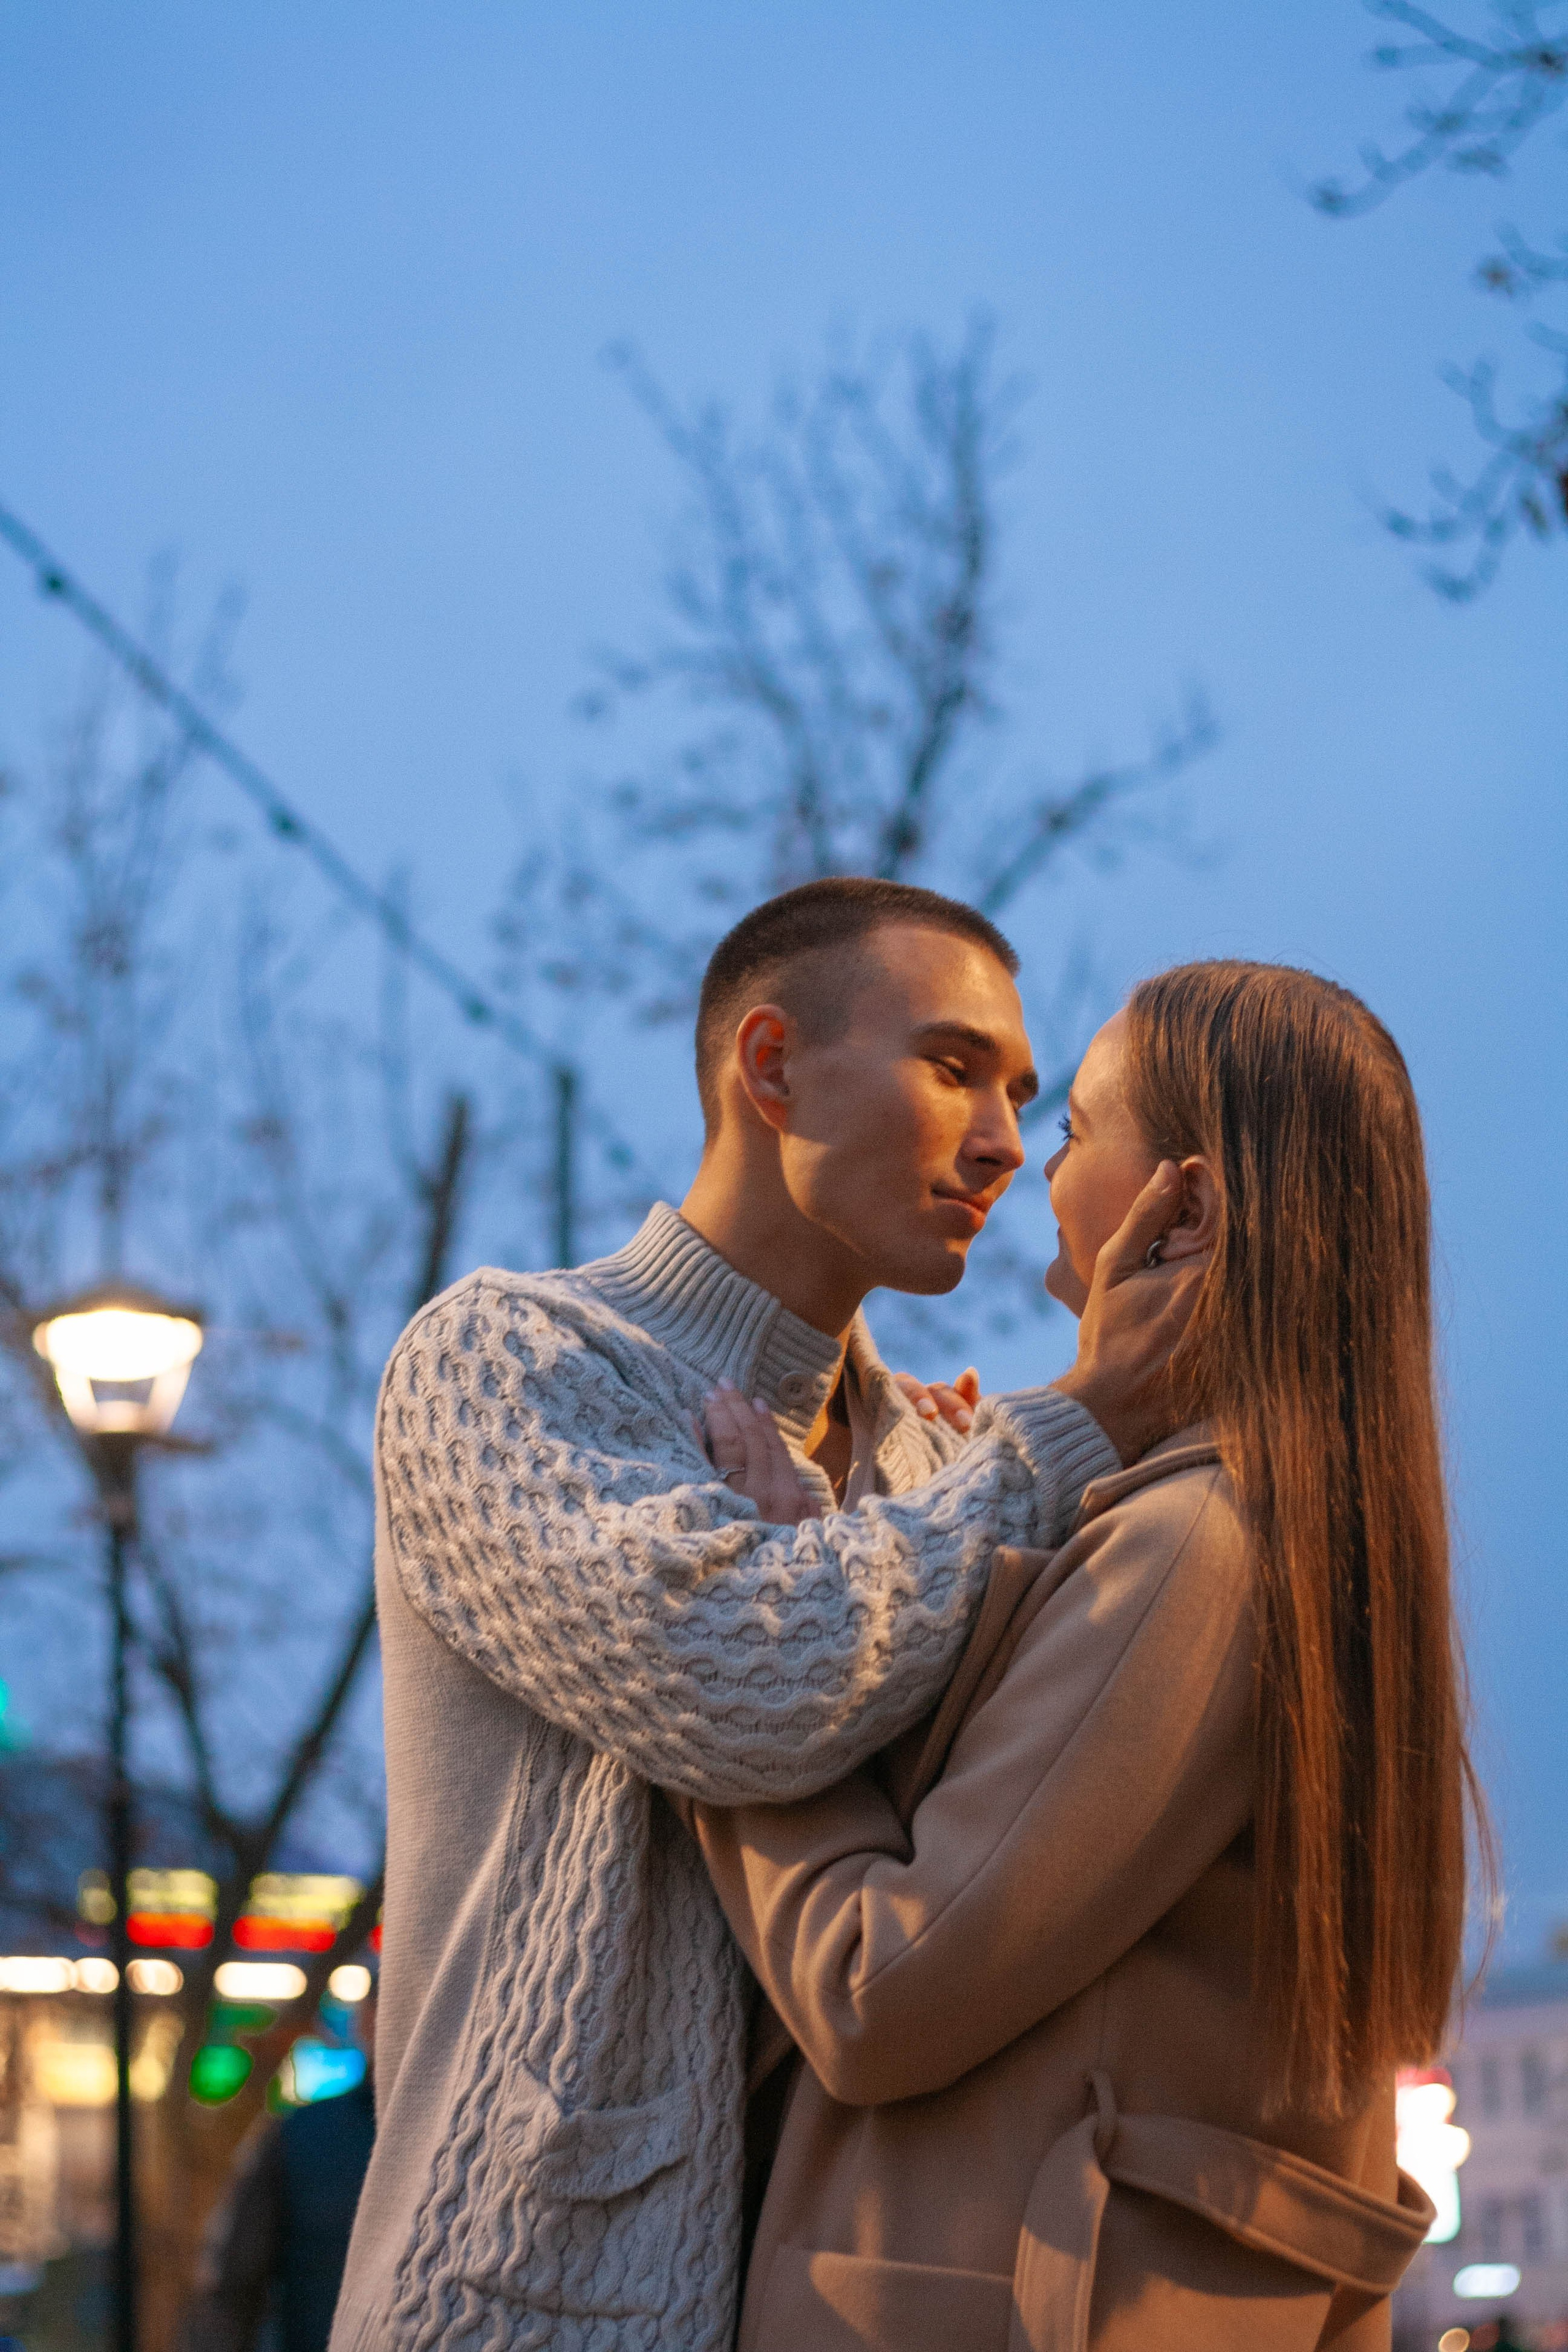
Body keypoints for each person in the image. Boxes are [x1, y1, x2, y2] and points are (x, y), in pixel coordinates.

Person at [329, 879, 1199, 2352]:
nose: (1000, 1141)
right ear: (772, 1066)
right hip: (509, 2314)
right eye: (949, 1065)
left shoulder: (939, 1464)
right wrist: (1070, 1430)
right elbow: (753, 1684)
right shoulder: (503, 1362)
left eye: (1020, 1096)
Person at [686, 959, 1485, 2352]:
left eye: (1072, 1128)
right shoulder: (1290, 1531)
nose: (1026, 1165)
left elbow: (874, 1987)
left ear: (1186, 1206)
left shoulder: (1197, 1545)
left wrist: (759, 1636)